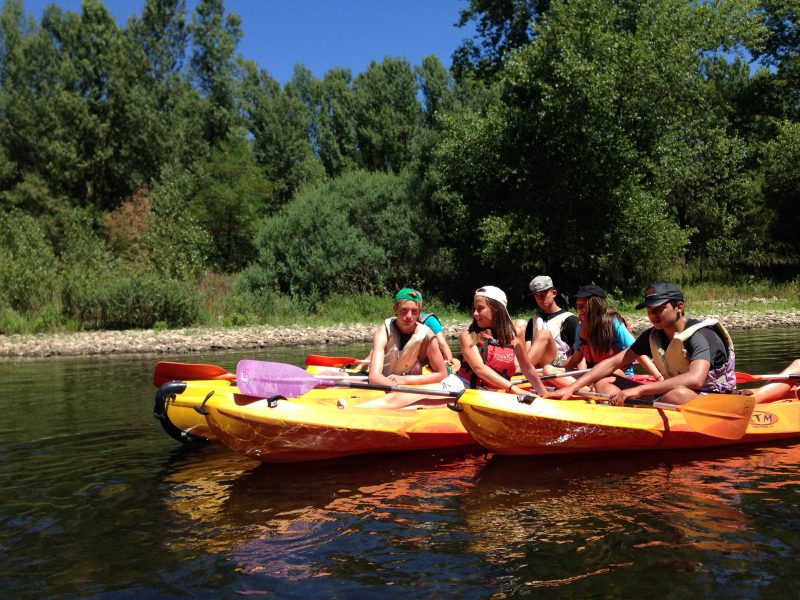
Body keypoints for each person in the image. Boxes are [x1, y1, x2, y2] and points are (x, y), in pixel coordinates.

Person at [549, 282, 736, 406]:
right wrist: (572, 388)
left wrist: (640, 389)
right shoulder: (652, 336)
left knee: (678, 394)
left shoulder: (700, 335)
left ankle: (635, 410)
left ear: (679, 307)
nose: (653, 314)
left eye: (659, 309)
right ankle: (627, 411)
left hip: (709, 400)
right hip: (669, 394)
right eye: (649, 309)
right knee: (604, 380)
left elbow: (695, 379)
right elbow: (614, 362)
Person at [560, 285, 662, 392]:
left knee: (609, 373)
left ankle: (588, 389)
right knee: (549, 370)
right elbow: (576, 359)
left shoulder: (613, 322)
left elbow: (638, 351)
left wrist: (658, 376)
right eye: (578, 306)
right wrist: (553, 369)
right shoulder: (581, 328)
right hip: (593, 374)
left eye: (583, 305)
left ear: (595, 305)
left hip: (618, 373)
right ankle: (587, 389)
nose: (579, 309)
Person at [455, 285, 547, 397]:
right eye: (474, 309)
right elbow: (479, 369)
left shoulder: (516, 334)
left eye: (480, 309)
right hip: (464, 387)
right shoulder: (468, 335)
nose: (475, 313)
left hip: (496, 392)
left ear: (496, 309)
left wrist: (544, 394)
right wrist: (512, 388)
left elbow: (527, 367)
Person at [367, 288, 449, 387]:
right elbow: (374, 377)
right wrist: (396, 386)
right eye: (404, 310)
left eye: (414, 311)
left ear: (419, 312)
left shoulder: (427, 336)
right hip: (384, 382)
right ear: (395, 309)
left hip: (405, 381)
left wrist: (404, 380)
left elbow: (442, 374)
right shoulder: (383, 331)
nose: (409, 316)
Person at [525, 275, 581, 370]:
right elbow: (528, 348)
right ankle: (523, 369)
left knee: (544, 333)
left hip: (558, 368)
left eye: (543, 294)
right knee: (519, 324)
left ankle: (520, 371)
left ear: (554, 293)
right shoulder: (533, 320)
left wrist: (561, 369)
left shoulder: (570, 320)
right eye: (536, 295)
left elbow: (580, 353)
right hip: (535, 367)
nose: (539, 299)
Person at [419, 308, 460, 373]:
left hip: (429, 361)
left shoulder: (430, 320)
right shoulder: (404, 321)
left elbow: (443, 344)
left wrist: (449, 360)